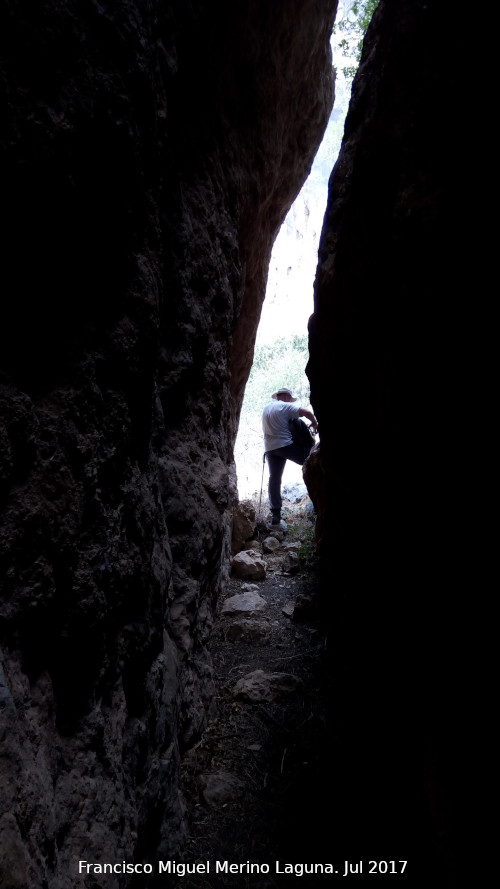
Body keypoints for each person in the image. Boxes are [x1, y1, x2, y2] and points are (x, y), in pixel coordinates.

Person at [262, 387, 318, 524]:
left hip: (270, 449)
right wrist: (315, 424)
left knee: (274, 478)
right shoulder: (285, 406)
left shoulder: (266, 408)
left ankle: (275, 514)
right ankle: (318, 499)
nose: (290, 401)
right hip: (285, 446)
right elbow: (306, 412)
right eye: (290, 398)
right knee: (310, 458)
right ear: (286, 397)